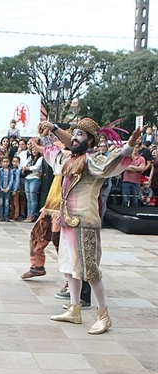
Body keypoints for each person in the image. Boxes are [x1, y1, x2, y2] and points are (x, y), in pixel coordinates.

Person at [39, 118, 142, 334]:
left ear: (91, 140)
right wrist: (46, 134)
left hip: (85, 221)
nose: (75, 138)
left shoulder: (93, 161)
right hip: (67, 220)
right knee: (70, 268)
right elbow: (52, 154)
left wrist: (130, 146)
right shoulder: (69, 160)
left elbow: (113, 164)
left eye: (80, 135)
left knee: (90, 271)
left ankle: (103, 316)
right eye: (74, 134)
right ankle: (74, 309)